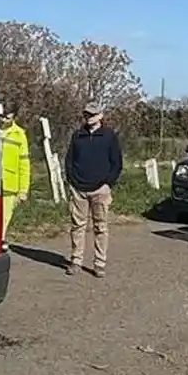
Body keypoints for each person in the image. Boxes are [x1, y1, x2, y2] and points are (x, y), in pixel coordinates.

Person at [63, 102, 123, 278]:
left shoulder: (109, 136)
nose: (89, 117)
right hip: (78, 189)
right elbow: (69, 161)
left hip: (100, 190)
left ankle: (99, 263)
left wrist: (107, 184)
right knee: (77, 226)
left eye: (93, 114)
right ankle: (76, 261)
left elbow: (117, 163)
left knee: (101, 227)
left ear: (101, 116)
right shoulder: (78, 135)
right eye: (87, 114)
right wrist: (72, 182)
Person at [0, 102, 31, 249]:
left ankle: (1, 240)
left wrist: (23, 190)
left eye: (7, 117)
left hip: (10, 183)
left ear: (14, 116)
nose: (3, 120)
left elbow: (24, 163)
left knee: (4, 216)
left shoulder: (19, 135)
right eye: (1, 116)